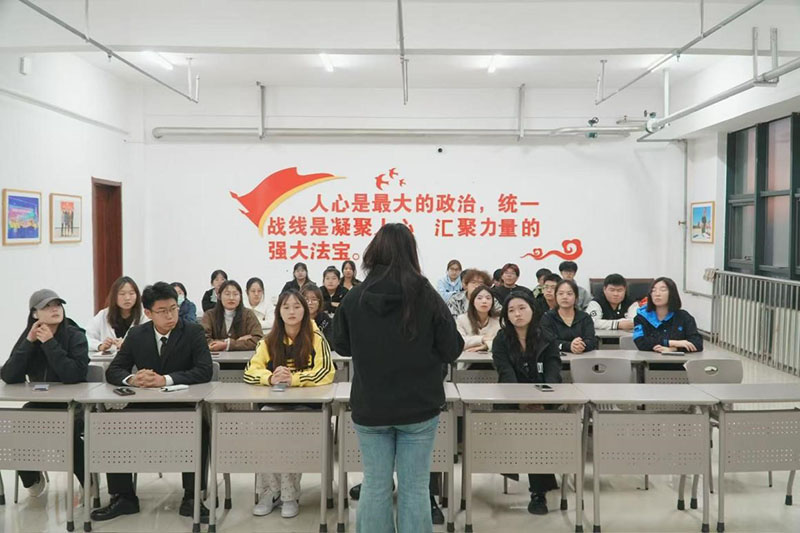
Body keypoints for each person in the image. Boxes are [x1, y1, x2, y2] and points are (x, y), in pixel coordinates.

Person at [334, 223, 464, 533]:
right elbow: (452, 349)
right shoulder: (427, 295)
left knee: (375, 485)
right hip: (419, 407)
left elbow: (341, 345)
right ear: (411, 253)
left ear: (373, 253)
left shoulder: (355, 297)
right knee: (415, 487)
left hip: (370, 407)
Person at [93, 282, 213, 523]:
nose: (170, 316)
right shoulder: (137, 335)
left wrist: (164, 380)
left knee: (200, 426)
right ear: (148, 313)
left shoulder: (193, 332)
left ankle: (192, 497)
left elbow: (204, 370)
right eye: (163, 311)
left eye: (173, 309)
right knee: (111, 425)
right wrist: (133, 379)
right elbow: (114, 370)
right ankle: (124, 497)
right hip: (143, 405)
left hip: (182, 406)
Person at [243, 290, 335, 518]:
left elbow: (326, 372)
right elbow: (250, 371)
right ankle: (270, 492)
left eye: (296, 306)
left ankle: (289, 495)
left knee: (289, 433)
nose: (291, 312)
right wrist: (270, 378)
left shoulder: (316, 337)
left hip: (308, 408)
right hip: (275, 404)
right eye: (286, 307)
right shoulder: (268, 340)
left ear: (304, 310)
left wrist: (293, 379)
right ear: (279, 312)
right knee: (263, 431)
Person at [2, 289, 88, 496]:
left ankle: (88, 481)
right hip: (40, 403)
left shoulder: (76, 335)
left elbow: (73, 375)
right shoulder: (29, 336)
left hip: (74, 404)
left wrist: (50, 343)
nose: (54, 310)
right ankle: (31, 479)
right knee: (15, 426)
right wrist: (28, 343)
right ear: (35, 314)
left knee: (67, 428)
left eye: (57, 305)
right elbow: (9, 375)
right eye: (47, 307)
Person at [491, 290, 561, 514]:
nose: (517, 314)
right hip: (511, 400)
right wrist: (520, 401)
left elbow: (553, 373)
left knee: (539, 430)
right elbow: (506, 374)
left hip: (544, 401)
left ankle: (538, 493)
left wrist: (544, 402)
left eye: (522, 308)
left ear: (533, 309)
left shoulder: (547, 337)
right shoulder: (501, 339)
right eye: (511, 310)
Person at [633, 277, 703, 353]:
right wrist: (672, 343)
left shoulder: (684, 317)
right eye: (653, 290)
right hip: (649, 360)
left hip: (679, 360)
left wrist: (674, 349)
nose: (657, 294)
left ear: (672, 293)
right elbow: (641, 342)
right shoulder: (641, 317)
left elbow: (697, 343)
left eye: (663, 290)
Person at [86, 276, 147, 352]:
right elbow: (87, 338)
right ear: (114, 296)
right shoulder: (103, 315)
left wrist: (128, 345)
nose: (127, 298)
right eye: (122, 294)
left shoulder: (145, 316)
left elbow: (149, 342)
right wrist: (100, 346)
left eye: (131, 293)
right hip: (108, 359)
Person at [202, 280, 263, 351]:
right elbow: (203, 339)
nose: (231, 298)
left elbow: (259, 340)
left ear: (240, 297)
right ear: (219, 296)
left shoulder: (248, 314)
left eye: (235, 294)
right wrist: (235, 342)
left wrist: (227, 344)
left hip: (243, 357)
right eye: (227, 294)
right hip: (216, 357)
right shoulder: (209, 315)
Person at [540, 279, 597, 353]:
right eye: (561, 293)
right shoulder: (548, 317)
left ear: (576, 297)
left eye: (569, 294)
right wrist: (569, 346)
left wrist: (580, 346)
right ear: (556, 296)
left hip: (582, 357)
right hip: (556, 358)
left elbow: (591, 341)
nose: (565, 297)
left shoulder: (585, 317)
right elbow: (548, 341)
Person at [456, 285, 501, 351]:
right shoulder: (461, 319)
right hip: (467, 356)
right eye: (479, 298)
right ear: (473, 302)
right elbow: (459, 342)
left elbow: (503, 343)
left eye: (488, 298)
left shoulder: (498, 321)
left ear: (492, 302)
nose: (484, 301)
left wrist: (485, 346)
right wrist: (482, 339)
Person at [301, 284, 335, 350]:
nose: (310, 303)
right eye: (306, 299)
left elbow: (331, 342)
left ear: (320, 302)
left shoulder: (325, 320)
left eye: (314, 299)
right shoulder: (296, 319)